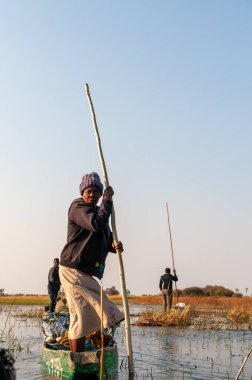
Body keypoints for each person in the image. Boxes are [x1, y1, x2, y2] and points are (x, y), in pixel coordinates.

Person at [59, 172, 124, 352]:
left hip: (84, 271)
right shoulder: (77, 207)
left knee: (80, 316)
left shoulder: (100, 212)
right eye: (89, 191)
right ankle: (77, 358)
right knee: (90, 310)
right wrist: (108, 200)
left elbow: (104, 236)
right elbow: (96, 224)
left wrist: (114, 245)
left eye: (96, 191)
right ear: (82, 192)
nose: (92, 194)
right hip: (72, 269)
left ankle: (78, 355)